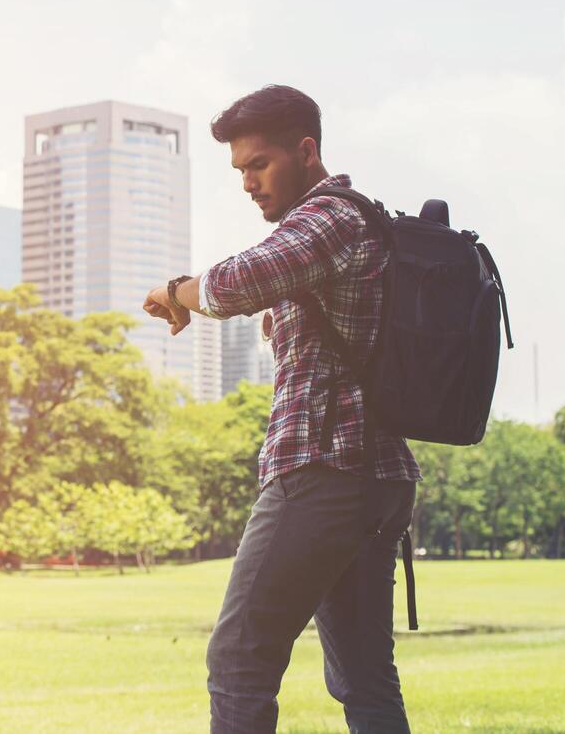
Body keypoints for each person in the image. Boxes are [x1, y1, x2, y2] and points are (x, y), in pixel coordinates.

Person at [143, 85, 422, 734]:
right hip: (376, 479)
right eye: (239, 169)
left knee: (239, 655)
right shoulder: (359, 226)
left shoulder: (329, 217)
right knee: (364, 679)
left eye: (258, 164)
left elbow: (239, 281)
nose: (246, 182)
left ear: (305, 150)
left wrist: (175, 291)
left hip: (323, 472)